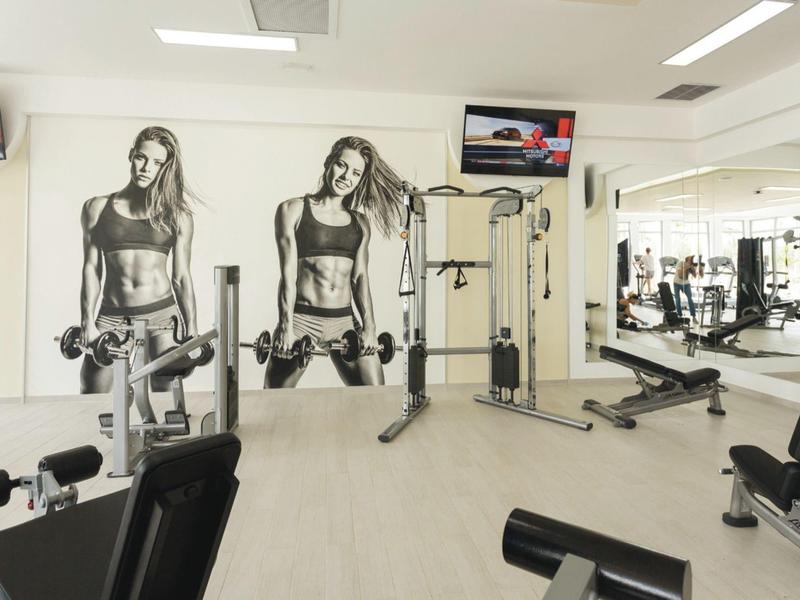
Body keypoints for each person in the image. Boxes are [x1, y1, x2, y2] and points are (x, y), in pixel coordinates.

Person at [265, 136, 402, 388]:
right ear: (329, 163)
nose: (346, 176)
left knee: (376, 398)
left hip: (344, 321)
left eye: (356, 173)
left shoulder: (360, 223)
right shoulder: (292, 210)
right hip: (302, 319)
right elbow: (288, 277)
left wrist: (370, 327)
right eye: (342, 165)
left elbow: (360, 278)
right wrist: (285, 327)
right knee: (275, 399)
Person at [79, 126, 199, 394]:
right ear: (131, 155)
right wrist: (87, 322)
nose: (146, 168)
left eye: (157, 162)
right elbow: (91, 269)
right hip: (112, 318)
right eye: (141, 158)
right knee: (91, 394)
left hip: (163, 317)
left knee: (165, 399)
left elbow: (181, 277)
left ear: (165, 168)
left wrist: (192, 327)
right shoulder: (96, 208)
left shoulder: (178, 216)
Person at [673, 255, 704, 324]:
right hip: (677, 283)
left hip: (686, 284)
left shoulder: (691, 266)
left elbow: (696, 276)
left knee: (690, 299)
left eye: (691, 261)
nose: (691, 262)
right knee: (678, 299)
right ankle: (679, 316)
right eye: (690, 261)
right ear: (686, 261)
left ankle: (693, 317)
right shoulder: (680, 263)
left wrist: (697, 269)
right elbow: (680, 274)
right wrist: (687, 267)